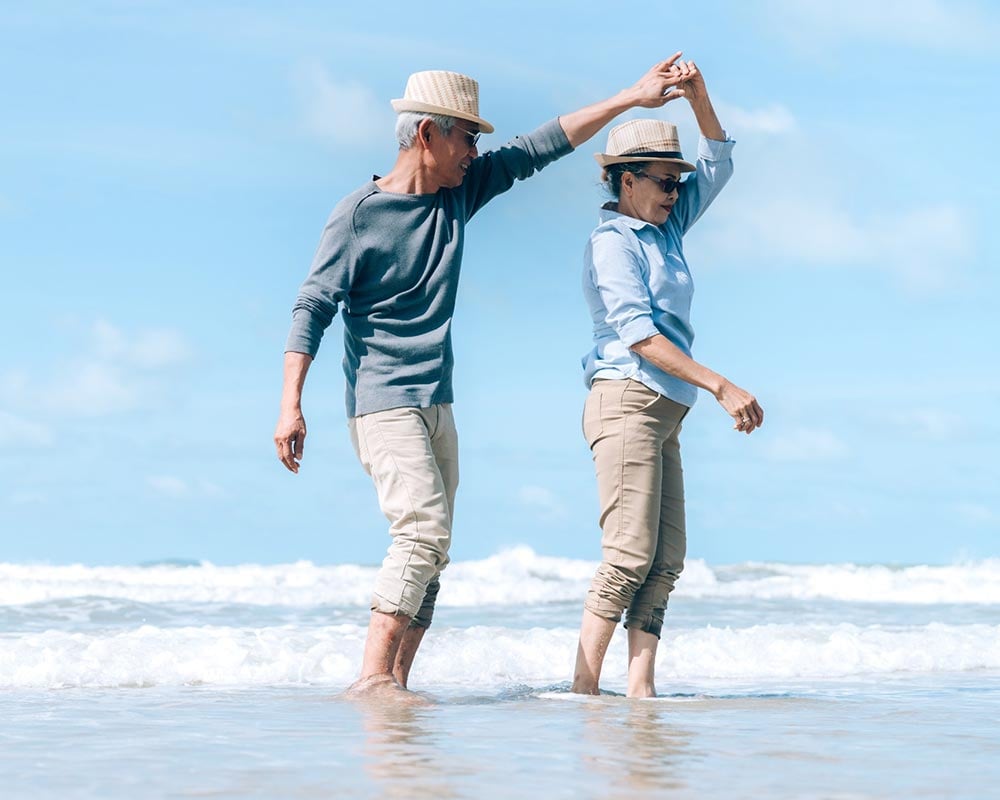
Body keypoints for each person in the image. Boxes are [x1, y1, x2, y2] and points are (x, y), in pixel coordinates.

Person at [274, 56, 693, 695]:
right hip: (382, 401)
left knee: (434, 550)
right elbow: (313, 306)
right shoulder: (359, 215)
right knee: (421, 531)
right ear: (426, 136)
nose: (478, 149)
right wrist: (290, 406)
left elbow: (542, 146)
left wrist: (632, 98)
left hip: (436, 399)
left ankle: (397, 684)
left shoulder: (458, 193)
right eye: (467, 136)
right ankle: (370, 677)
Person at [571, 60, 764, 698]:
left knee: (665, 561)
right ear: (627, 182)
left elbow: (719, 160)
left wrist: (700, 95)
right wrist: (720, 384)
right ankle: (581, 690)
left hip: (667, 407)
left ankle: (641, 692)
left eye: (678, 184)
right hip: (627, 397)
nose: (675, 193)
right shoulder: (614, 241)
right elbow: (640, 336)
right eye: (663, 182)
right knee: (627, 556)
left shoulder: (669, 228)